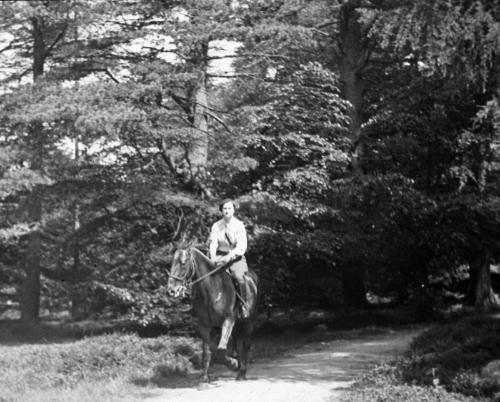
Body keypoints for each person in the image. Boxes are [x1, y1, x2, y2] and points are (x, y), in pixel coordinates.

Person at [208, 199, 250, 317]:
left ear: (234, 210)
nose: (227, 211)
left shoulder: (239, 225)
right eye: (224, 209)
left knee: (238, 277)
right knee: (207, 276)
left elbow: (242, 246)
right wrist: (212, 257)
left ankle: (243, 305)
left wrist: (229, 256)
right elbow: (213, 243)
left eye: (229, 208)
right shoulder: (216, 226)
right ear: (221, 211)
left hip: (236, 257)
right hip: (220, 256)